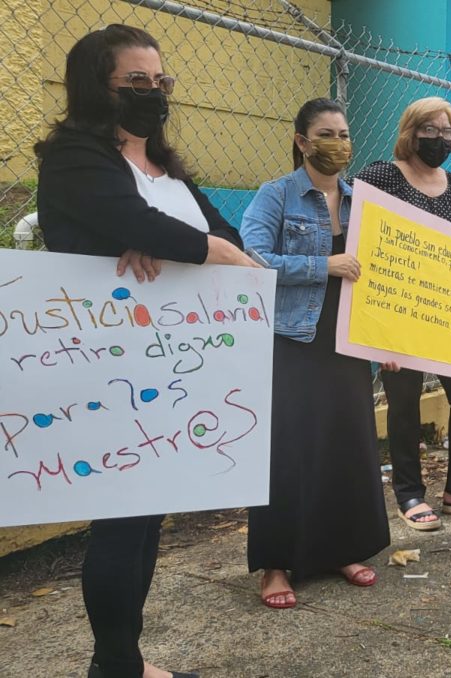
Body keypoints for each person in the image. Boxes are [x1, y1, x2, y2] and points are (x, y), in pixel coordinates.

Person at [35, 24, 258, 678]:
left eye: (160, 82)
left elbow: (223, 232)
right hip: (107, 361)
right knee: (121, 522)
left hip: (173, 363)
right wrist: (179, 242)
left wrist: (170, 240)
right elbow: (165, 233)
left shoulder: (163, 165)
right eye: (136, 82)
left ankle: (127, 661)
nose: (153, 93)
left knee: (148, 512)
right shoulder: (75, 156)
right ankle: (114, 667)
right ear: (95, 87)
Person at [241, 98, 389, 609]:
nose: (339, 143)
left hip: (349, 339)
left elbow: (389, 271)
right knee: (287, 447)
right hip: (293, 336)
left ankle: (340, 550)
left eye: (344, 133)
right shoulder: (276, 194)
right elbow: (251, 256)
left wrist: (392, 338)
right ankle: (276, 565)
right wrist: (320, 264)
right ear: (302, 141)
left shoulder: (362, 201)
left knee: (345, 443)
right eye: (326, 133)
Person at [354, 96, 451, 530]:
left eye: (447, 132)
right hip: (397, 312)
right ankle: (409, 495)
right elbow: (361, 237)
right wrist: (372, 326)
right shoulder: (382, 176)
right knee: (403, 401)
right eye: (430, 130)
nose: (440, 139)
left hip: (444, 315)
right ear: (410, 131)